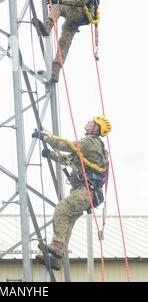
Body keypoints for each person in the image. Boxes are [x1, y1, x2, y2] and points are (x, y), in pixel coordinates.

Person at [32, 116, 111, 271]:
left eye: (92, 121)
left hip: (86, 191)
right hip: (86, 192)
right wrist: (51, 155)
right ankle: (57, 259)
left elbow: (66, 145)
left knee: (62, 209)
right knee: (68, 220)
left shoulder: (90, 143)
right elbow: (69, 160)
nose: (88, 121)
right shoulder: (92, 146)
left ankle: (57, 246)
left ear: (96, 128)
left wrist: (45, 137)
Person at [34, 0, 100, 82]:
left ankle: (47, 27)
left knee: (57, 6)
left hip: (82, 12)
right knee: (65, 39)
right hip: (74, 13)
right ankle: (55, 71)